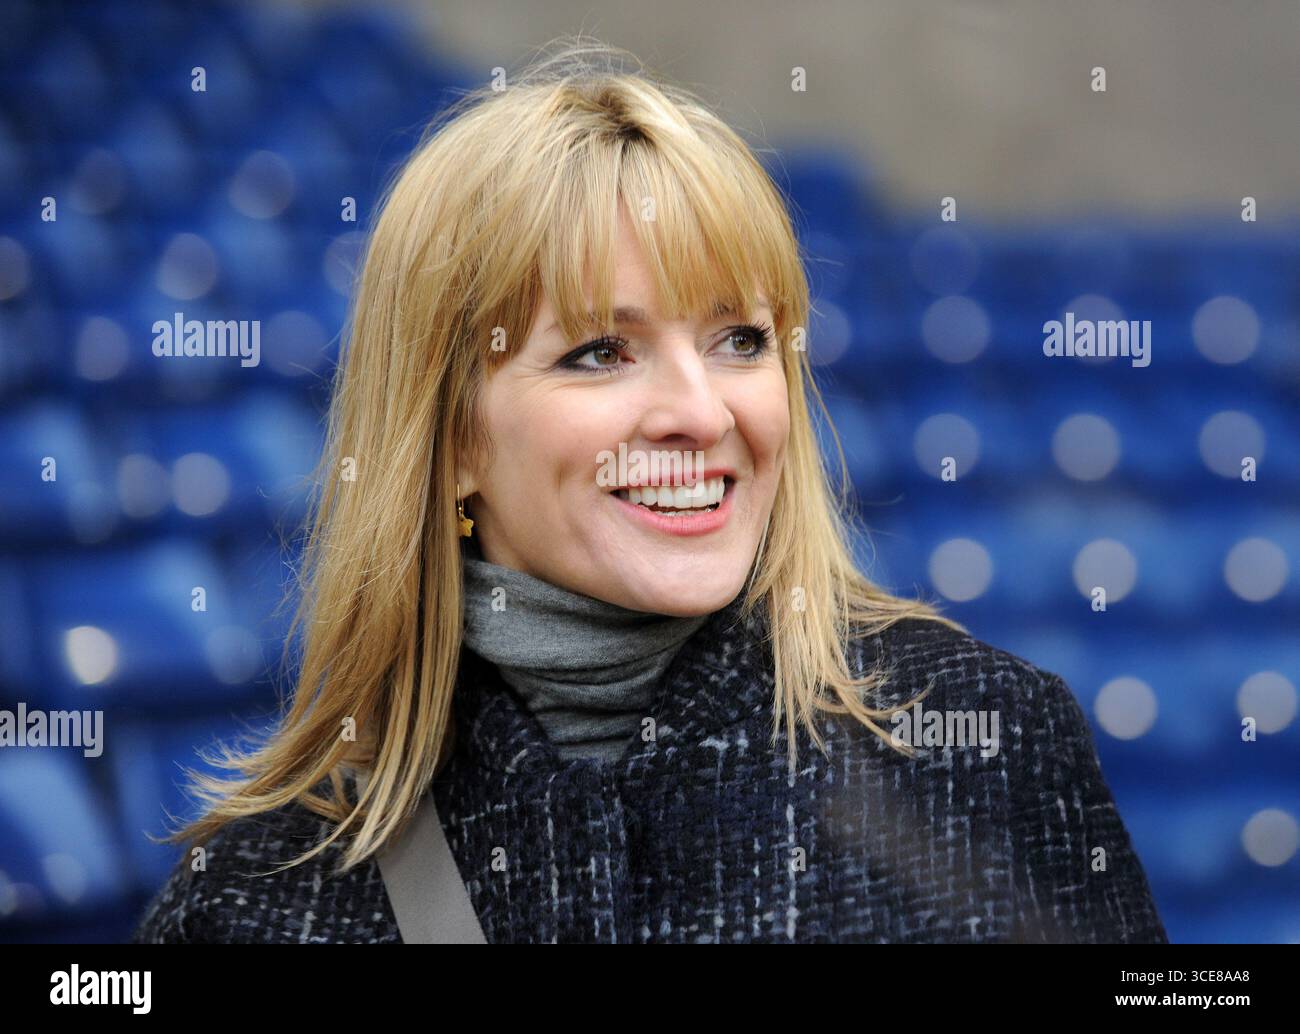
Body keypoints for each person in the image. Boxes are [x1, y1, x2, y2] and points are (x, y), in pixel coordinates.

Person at [130, 38, 1167, 944]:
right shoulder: (258, 892)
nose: (700, 413)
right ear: (451, 439)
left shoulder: (986, 744)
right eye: (599, 351)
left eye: (740, 340)